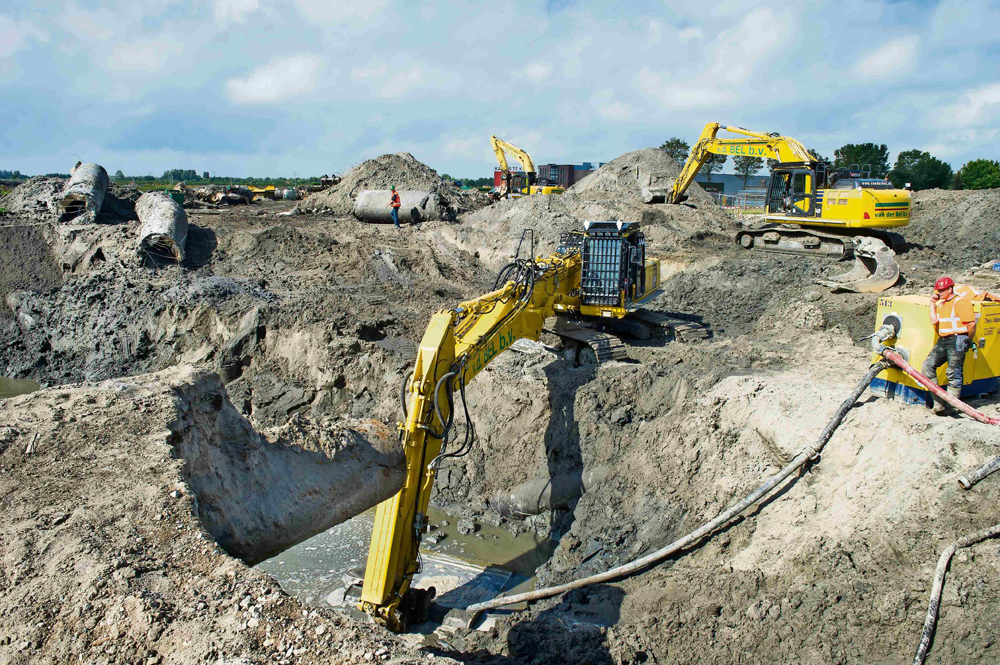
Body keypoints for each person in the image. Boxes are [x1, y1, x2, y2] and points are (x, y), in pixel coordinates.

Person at [921, 276, 977, 414]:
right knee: (927, 367)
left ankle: (952, 407)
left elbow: (971, 324)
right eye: (938, 290)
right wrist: (932, 303)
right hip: (943, 340)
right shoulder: (942, 304)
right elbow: (934, 320)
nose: (939, 293)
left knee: (954, 373)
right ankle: (939, 404)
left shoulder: (961, 302)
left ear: (950, 289)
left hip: (957, 339)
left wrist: (968, 340)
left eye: (942, 290)